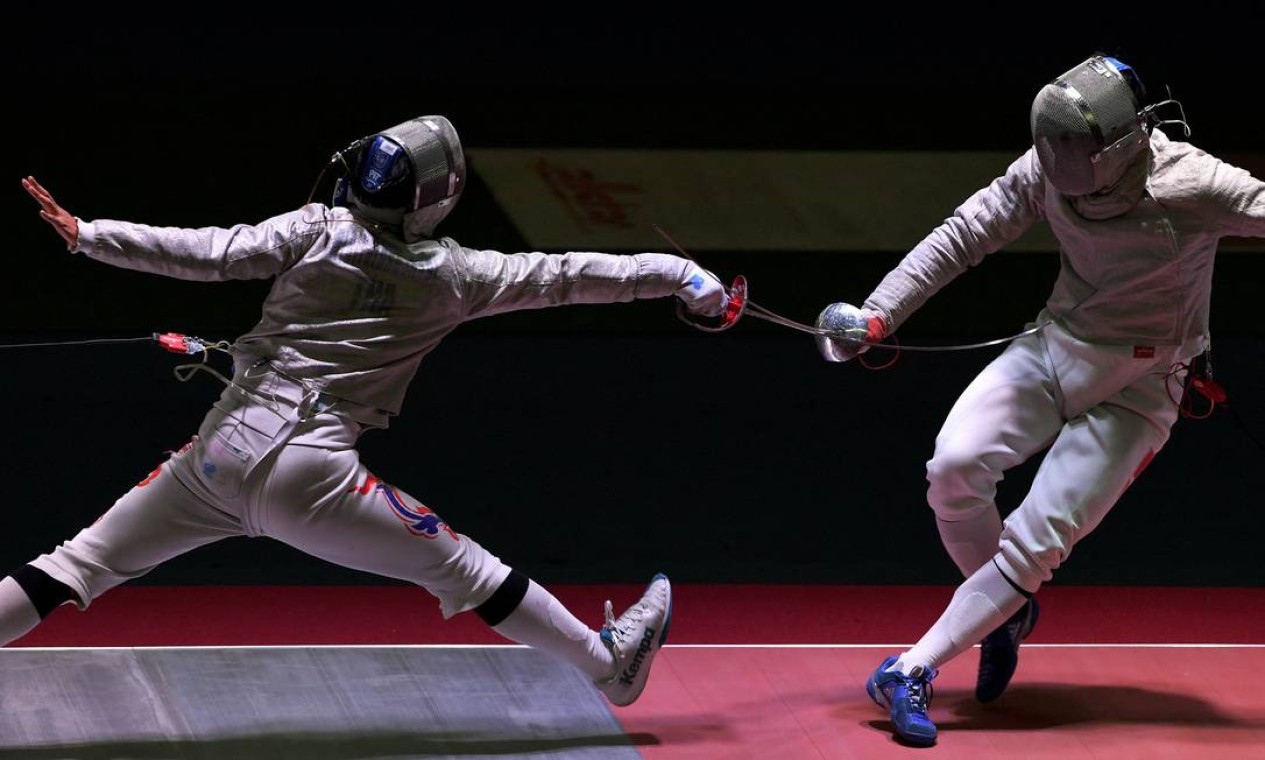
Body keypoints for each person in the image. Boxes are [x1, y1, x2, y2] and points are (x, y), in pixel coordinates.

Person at [10, 114, 731, 708]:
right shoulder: (461, 278)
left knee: (71, 567)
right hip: (313, 478)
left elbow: (212, 254)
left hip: (217, 456)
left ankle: (608, 665)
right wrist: (682, 276)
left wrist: (91, 233)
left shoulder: (314, 229)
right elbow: (569, 277)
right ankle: (608, 667)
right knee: (466, 572)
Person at [815, 55, 1265, 746]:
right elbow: (964, 233)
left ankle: (909, 668)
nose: (1059, 164)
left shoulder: (1194, 182)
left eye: (1075, 152)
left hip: (1142, 388)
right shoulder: (1046, 165)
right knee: (952, 469)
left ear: (1118, 145)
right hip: (1057, 348)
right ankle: (1001, 614)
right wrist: (878, 314)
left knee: (1035, 540)